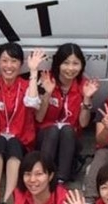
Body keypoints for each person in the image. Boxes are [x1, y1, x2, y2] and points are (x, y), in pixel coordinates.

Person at [0, 43, 45, 203]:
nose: (9, 66)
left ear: (21, 64)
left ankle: (9, 198)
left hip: (19, 147)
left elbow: (33, 103)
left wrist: (34, 71)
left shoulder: (26, 86)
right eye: (4, 61)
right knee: (0, 140)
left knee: (13, 142)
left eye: (14, 61)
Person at [34, 43, 98, 186]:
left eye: (75, 63)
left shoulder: (84, 85)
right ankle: (43, 176)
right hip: (46, 138)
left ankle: (61, 180)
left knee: (67, 130)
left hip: (69, 139)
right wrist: (47, 94)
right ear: (58, 64)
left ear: (82, 65)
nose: (70, 68)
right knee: (53, 130)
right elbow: (39, 117)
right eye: (66, 63)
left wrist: (87, 98)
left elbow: (83, 124)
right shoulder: (46, 79)